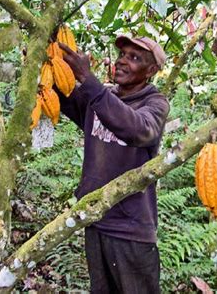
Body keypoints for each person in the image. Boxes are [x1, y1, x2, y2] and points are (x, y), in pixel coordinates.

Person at [57, 35, 170, 294]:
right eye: (122, 55)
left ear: (151, 71)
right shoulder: (103, 96)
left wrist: (89, 80)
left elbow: (138, 130)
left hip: (130, 227)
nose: (122, 62)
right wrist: (48, 60)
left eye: (134, 58)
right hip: (96, 217)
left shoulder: (155, 103)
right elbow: (65, 98)